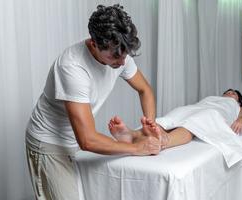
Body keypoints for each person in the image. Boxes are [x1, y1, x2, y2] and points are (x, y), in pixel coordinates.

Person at [25, 4, 161, 200]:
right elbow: (88, 139)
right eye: (115, 56)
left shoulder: (119, 53)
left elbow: (144, 89)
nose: (122, 62)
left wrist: (149, 125)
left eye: (125, 55)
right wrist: (137, 148)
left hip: (76, 142)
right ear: (94, 43)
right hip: (50, 143)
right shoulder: (72, 67)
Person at [108, 89, 242, 150]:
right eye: (227, 92)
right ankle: (132, 135)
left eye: (233, 94)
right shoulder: (212, 98)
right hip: (194, 108)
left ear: (239, 101)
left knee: (195, 122)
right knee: (171, 117)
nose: (229, 93)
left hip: (212, 113)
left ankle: (164, 141)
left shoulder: (237, 105)